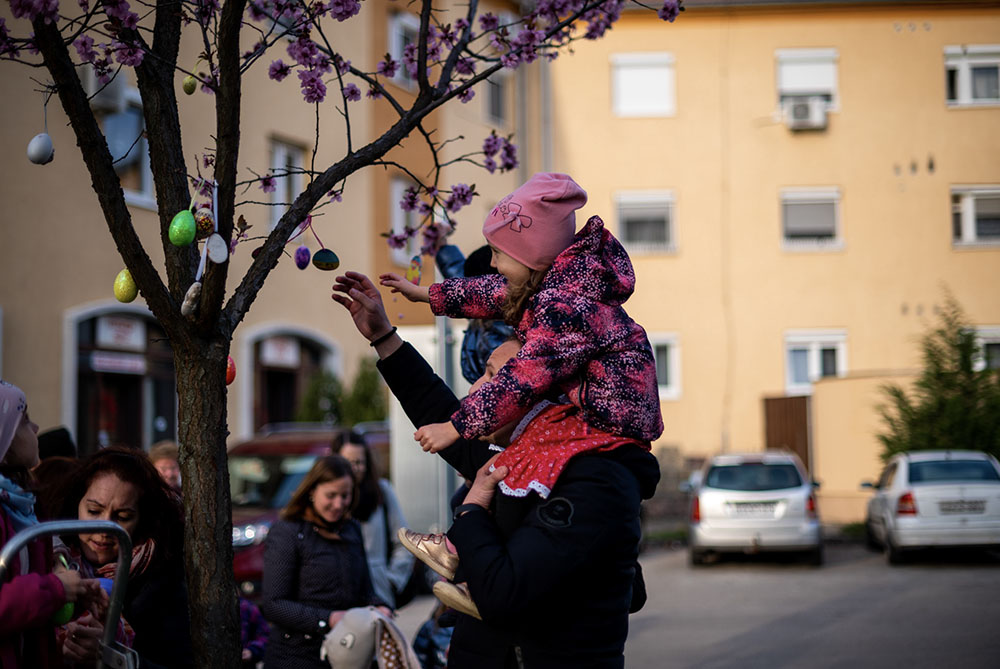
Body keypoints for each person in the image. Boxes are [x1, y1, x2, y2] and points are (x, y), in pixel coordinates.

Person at [332, 271, 660, 668]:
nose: (475, 391)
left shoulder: (592, 477)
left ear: (535, 392)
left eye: (492, 377)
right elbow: (438, 409)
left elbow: (506, 593)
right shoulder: (516, 456)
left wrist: (472, 511)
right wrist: (383, 336)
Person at [380, 172, 663, 455]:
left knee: (522, 461)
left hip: (616, 426)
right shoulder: (558, 286)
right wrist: (424, 294)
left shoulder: (567, 311)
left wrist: (455, 427)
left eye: (498, 253)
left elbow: (523, 379)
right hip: (594, 416)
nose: (493, 263)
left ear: (530, 255)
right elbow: (491, 292)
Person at [54, 445, 193, 668]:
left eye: (123, 516)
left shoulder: (163, 584)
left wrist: (112, 656)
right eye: (94, 511)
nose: (104, 529)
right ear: (76, 504)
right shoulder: (51, 560)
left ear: (142, 521)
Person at [0, 380, 105, 668]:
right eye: (24, 420)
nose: (35, 428)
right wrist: (56, 588)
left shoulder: (25, 504)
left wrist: (75, 592)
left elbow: (29, 591)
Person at [260, 454, 391, 669]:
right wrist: (328, 618)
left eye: (345, 496)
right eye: (331, 495)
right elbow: (274, 605)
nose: (338, 504)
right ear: (312, 491)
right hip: (295, 656)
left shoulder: (351, 529)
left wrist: (380, 607)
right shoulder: (288, 532)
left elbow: (365, 591)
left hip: (347, 654)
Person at [334, 433, 415, 609]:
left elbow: (404, 541)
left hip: (378, 596)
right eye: (348, 462)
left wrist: (392, 580)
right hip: (338, 599)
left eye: (359, 462)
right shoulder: (330, 500)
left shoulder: (382, 491)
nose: (354, 468)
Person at [434, 242, 515, 383]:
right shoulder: (483, 308)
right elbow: (456, 275)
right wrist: (442, 246)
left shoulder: (498, 337)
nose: (466, 293)